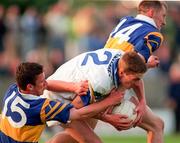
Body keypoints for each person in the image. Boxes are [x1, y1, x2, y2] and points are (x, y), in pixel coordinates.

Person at [41, 48, 148, 143]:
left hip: (71, 93)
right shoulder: (100, 82)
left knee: (73, 138)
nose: (136, 83)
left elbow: (137, 76)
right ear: (121, 73)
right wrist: (107, 115)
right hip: (58, 99)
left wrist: (142, 101)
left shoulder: (123, 58)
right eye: (135, 80)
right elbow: (74, 109)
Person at [0, 62, 124, 143]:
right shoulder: (42, 107)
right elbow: (78, 114)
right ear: (30, 87)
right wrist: (110, 101)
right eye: (42, 81)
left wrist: (73, 87)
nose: (46, 83)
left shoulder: (13, 89)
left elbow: (47, 85)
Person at [103, 0, 167, 142]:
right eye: (163, 16)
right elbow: (133, 66)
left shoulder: (125, 21)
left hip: (97, 73)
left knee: (77, 134)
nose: (164, 22)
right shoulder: (154, 35)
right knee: (157, 125)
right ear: (151, 12)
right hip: (112, 85)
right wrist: (146, 63)